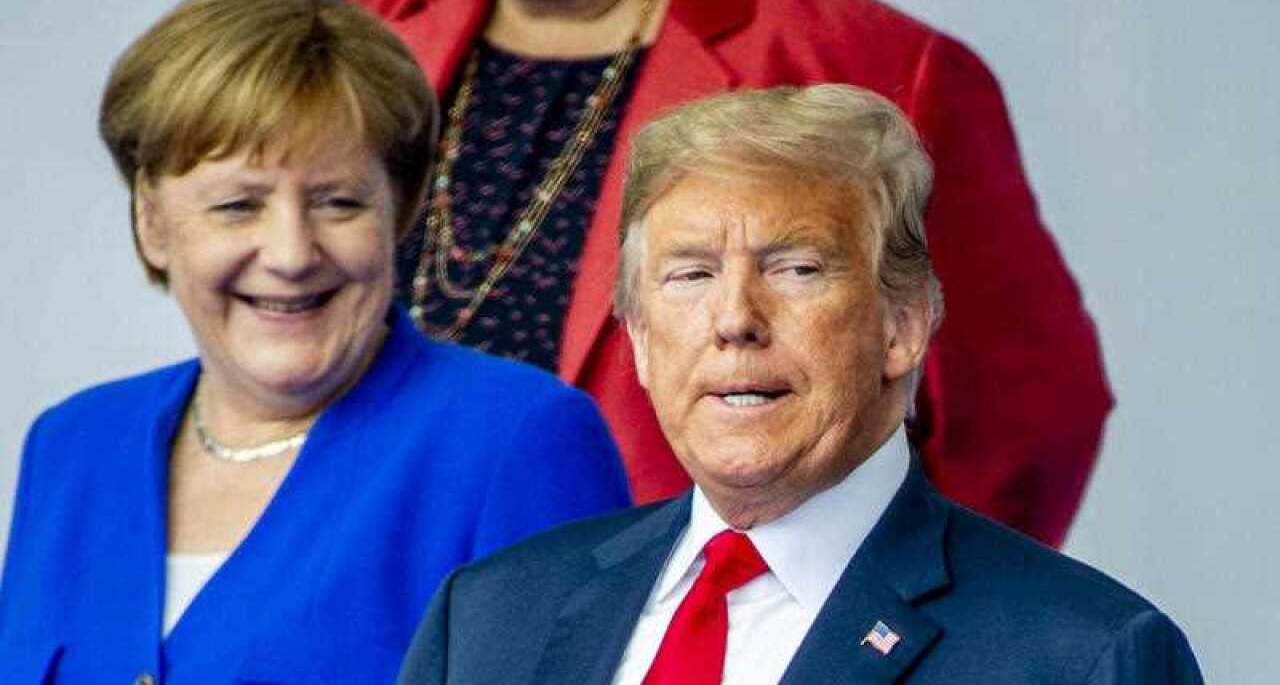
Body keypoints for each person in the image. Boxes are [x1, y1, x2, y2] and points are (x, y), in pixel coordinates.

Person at [396, 85, 1201, 684]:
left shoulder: (1087, 656)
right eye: (691, 275)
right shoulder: (485, 621)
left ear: (903, 325)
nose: (735, 318)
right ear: (640, 339)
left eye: (797, 268)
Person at [344, 0, 1113, 548]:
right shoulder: (369, 28)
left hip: (701, 627)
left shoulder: (865, 57)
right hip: (379, 606)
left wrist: (887, 629)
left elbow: (1027, 422)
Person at [0, 0, 629, 683]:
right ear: (152, 222)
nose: (293, 254)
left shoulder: (518, 439)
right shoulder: (72, 444)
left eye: (337, 202)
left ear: (399, 212)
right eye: (239, 205)